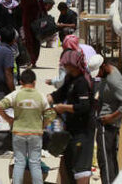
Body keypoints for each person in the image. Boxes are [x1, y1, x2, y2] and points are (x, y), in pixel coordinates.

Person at [0, 69, 55, 184]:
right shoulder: (40, 96)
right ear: (34, 82)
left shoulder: (15, 94)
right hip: (35, 133)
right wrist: (42, 125)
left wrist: (9, 119)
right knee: (35, 163)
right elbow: (51, 114)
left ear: (21, 82)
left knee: (19, 162)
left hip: (18, 132)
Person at [48, 51, 94, 184]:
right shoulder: (70, 79)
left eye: (66, 64)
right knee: (70, 164)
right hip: (71, 130)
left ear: (73, 65)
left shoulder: (82, 82)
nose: (63, 66)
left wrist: (64, 108)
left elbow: (84, 106)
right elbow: (59, 94)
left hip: (83, 132)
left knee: (81, 169)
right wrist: (43, 101)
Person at [95, 58, 122, 184]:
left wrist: (112, 117)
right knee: (110, 158)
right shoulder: (111, 72)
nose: (97, 76)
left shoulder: (113, 80)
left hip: (106, 124)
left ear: (104, 66)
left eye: (98, 72)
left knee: (104, 160)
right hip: (111, 125)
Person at [20, 0, 46, 68]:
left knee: (29, 43)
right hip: (37, 26)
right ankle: (34, 60)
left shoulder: (24, 1)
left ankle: (31, 60)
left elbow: (19, 13)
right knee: (36, 43)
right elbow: (44, 13)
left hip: (27, 25)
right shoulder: (39, 1)